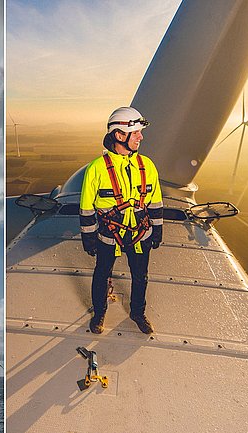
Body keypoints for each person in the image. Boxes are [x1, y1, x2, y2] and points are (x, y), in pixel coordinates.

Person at [79, 107, 163, 335]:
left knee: (141, 276)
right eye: (135, 132)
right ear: (119, 135)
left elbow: (155, 200)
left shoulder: (147, 166)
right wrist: (89, 237)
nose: (141, 137)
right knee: (101, 273)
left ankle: (138, 312)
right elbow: (87, 206)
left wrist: (157, 229)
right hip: (109, 235)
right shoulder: (96, 169)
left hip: (140, 233)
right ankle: (99, 313)